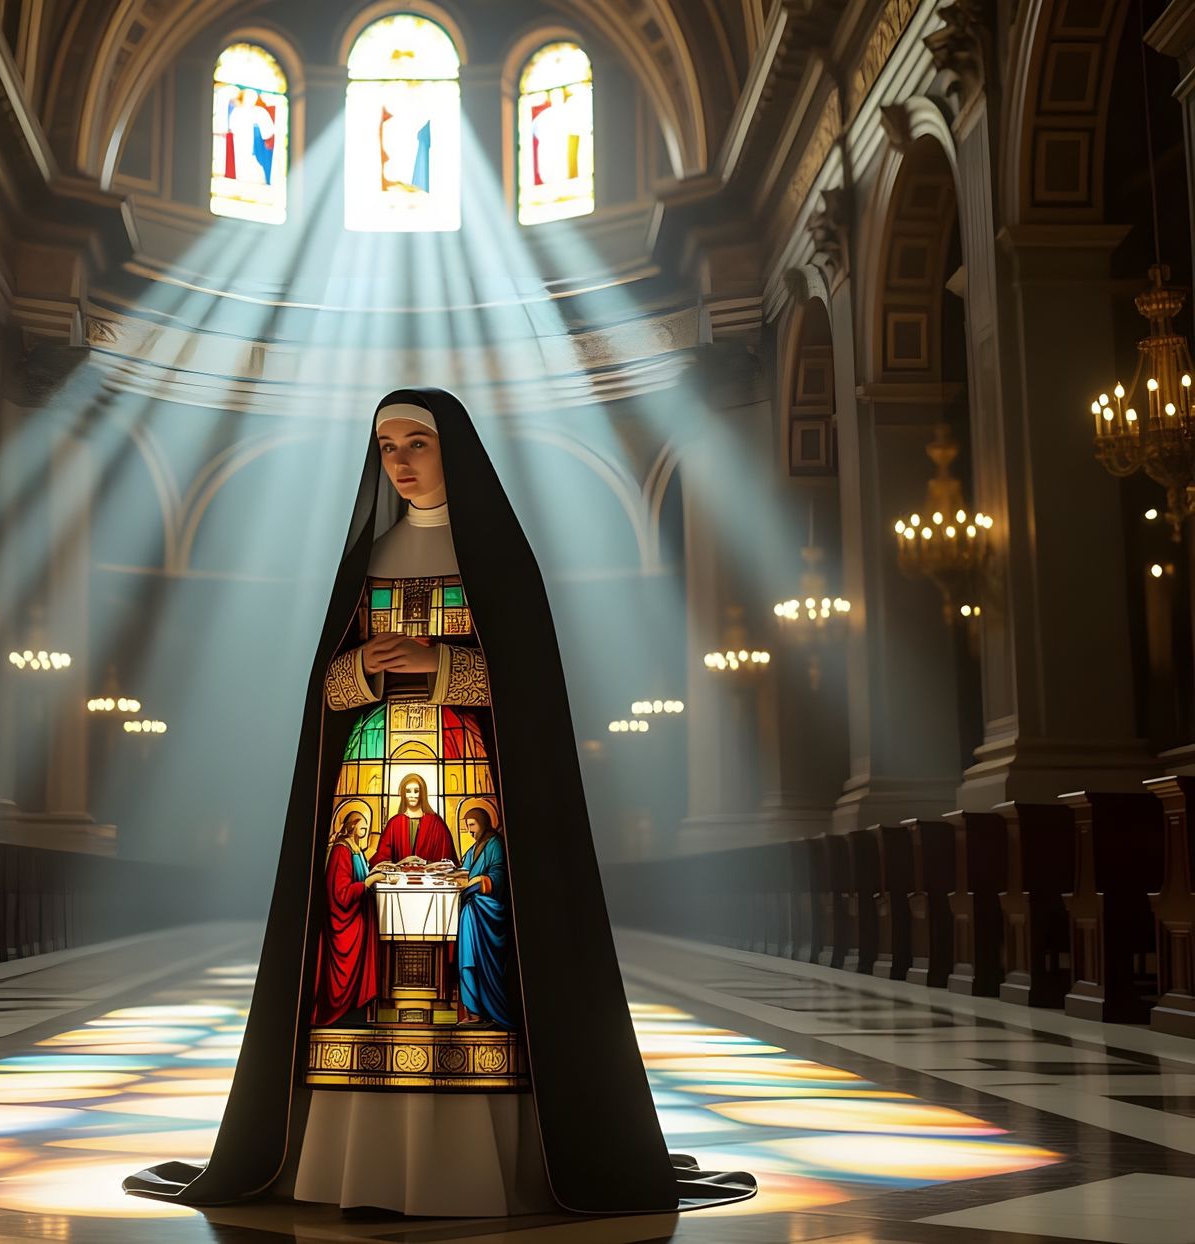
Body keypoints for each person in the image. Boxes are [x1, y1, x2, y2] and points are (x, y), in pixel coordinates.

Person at [124, 388, 754, 1217]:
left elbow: (530, 693)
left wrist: (439, 660)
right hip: (367, 784)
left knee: (476, 986)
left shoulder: (499, 559)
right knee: (363, 978)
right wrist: (369, 674)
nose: (399, 460)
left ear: (453, 448)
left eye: (415, 441)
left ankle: (491, 1163)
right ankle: (350, 1162)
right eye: (385, 445)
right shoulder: (369, 557)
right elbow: (329, 690)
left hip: (478, 785)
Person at [312, 809, 379, 1026]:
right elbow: (340, 894)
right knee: (344, 973)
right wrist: (368, 883)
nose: (366, 828)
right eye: (363, 824)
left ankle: (356, 1010)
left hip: (358, 916)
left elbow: (361, 875)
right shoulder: (341, 850)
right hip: (345, 921)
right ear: (352, 825)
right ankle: (343, 1014)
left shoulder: (355, 849)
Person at [455, 806, 513, 1027]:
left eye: (472, 825)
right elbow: (464, 870)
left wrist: (478, 881)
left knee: (482, 962)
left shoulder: (495, 844)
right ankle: (474, 1013)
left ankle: (488, 1011)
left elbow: (499, 875)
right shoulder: (474, 848)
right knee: (468, 960)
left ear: (482, 822)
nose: (469, 830)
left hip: (486, 911)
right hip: (471, 911)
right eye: (467, 826)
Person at [369, 773, 455, 865]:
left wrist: (425, 863)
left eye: (416, 791)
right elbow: (382, 858)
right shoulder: (394, 823)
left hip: (430, 878)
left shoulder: (436, 823)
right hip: (398, 878)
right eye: (408, 791)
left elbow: (446, 859)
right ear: (403, 793)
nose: (412, 795)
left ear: (422, 793)